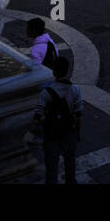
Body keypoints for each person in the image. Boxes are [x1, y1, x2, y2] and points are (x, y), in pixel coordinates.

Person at [35, 55, 83, 185]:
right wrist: (78, 133)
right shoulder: (75, 90)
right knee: (70, 160)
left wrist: (40, 130)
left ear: (54, 71)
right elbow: (79, 115)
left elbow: (38, 115)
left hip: (51, 133)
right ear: (67, 71)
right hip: (69, 130)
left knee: (51, 164)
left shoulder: (46, 92)